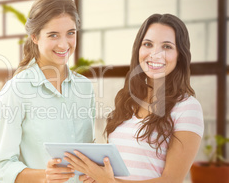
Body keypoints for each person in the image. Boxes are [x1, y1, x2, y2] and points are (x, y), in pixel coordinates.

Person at [64, 14, 204, 182]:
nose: (155, 54)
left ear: (180, 55)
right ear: (138, 49)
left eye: (167, 46)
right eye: (148, 44)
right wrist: (97, 175)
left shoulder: (187, 107)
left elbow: (171, 180)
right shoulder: (129, 101)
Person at [0, 0, 96, 183]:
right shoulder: (16, 90)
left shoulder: (84, 87)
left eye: (71, 33)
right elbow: (3, 166)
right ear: (34, 37)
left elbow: (88, 149)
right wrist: (45, 176)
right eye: (53, 35)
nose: (64, 44)